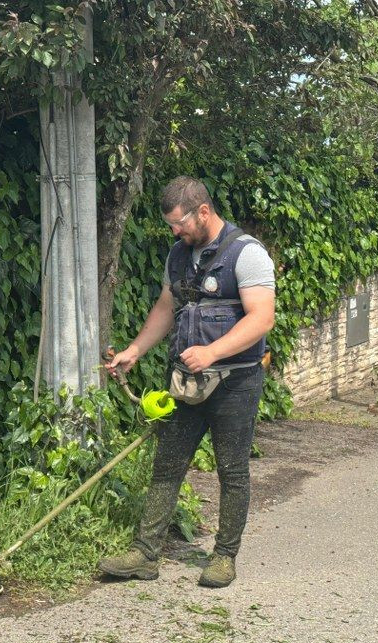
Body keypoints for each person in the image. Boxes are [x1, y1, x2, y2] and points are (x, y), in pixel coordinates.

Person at [99, 176, 275, 588]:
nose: (175, 232)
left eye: (179, 224)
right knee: (167, 464)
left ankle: (224, 556)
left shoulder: (246, 255)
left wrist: (212, 353)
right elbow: (165, 307)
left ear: (203, 212)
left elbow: (261, 319)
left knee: (231, 471)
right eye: (171, 227)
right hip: (184, 381)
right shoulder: (178, 257)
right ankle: (145, 554)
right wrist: (135, 350)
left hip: (235, 382)